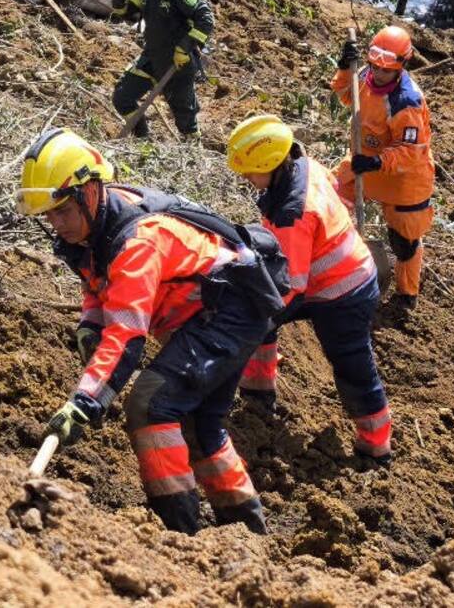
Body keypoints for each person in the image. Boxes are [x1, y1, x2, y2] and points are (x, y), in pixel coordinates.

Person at [15, 127, 277, 534]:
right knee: (199, 422)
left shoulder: (137, 242)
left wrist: (86, 401)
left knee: (150, 406)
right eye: (48, 215)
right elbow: (98, 284)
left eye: (61, 210)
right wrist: (89, 324)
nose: (56, 223)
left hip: (227, 314)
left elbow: (126, 336)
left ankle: (178, 532)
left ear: (89, 192)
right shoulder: (97, 224)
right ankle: (246, 528)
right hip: (208, 316)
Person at [227, 115, 393, 461]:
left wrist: (257, 308)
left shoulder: (292, 214)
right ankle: (258, 393)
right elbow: (334, 189)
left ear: (272, 164)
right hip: (324, 274)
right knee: (260, 319)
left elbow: (291, 285)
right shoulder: (305, 164)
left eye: (250, 172)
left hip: (344, 291)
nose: (245, 178)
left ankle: (376, 442)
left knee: (351, 362)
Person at [331, 25, 435, 311]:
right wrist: (344, 68)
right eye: (374, 66)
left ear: (401, 66)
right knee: (332, 198)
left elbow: (410, 152)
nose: (377, 74)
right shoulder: (363, 76)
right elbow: (345, 94)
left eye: (385, 70)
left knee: (404, 241)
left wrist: (377, 161)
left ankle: (406, 296)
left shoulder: (407, 102)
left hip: (405, 179)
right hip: (366, 164)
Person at [110, 0, 214, 137]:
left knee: (185, 119)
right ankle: (143, 140)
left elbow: (206, 19)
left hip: (178, 64)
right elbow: (126, 12)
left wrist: (184, 47)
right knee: (122, 97)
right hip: (152, 57)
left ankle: (193, 154)